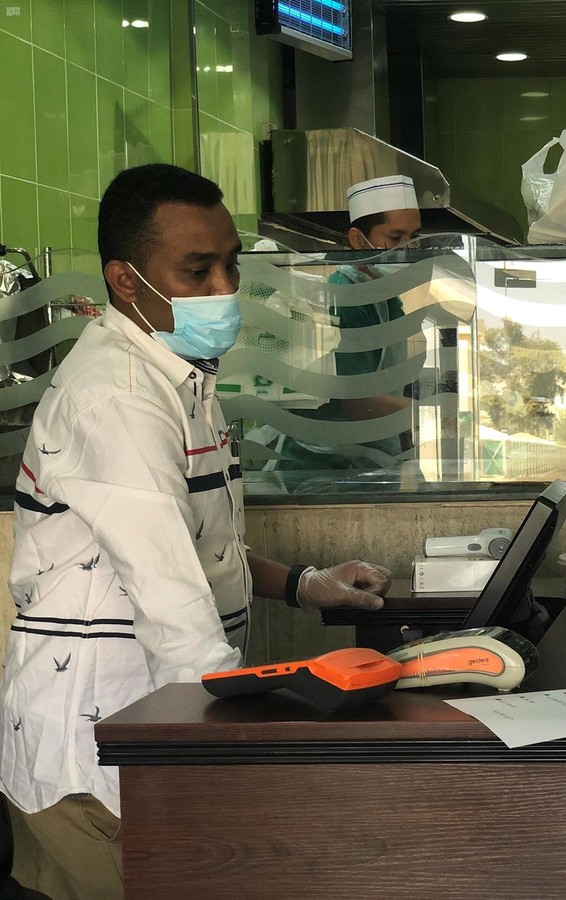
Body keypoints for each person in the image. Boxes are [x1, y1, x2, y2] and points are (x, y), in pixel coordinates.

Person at [0, 163, 395, 900]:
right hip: (97, 748)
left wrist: (304, 585)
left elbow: (190, 545)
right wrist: (246, 746)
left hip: (147, 726)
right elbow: (170, 601)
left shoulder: (176, 372)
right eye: (197, 270)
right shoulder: (118, 397)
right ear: (125, 280)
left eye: (230, 265)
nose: (224, 288)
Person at [275, 175, 422, 471]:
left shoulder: (385, 298)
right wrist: (431, 416)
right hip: (325, 467)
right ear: (357, 240)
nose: (406, 248)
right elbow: (358, 401)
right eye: (395, 238)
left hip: (366, 458)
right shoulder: (345, 299)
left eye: (414, 238)